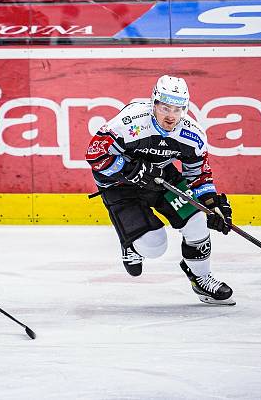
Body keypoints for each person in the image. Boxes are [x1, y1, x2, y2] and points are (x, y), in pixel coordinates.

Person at [85, 75, 235, 305]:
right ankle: (130, 242)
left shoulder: (192, 134)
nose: (171, 115)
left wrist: (211, 204)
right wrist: (130, 168)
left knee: (197, 222)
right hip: (120, 185)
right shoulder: (129, 122)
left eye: (177, 109)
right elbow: (95, 155)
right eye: (165, 107)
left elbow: (198, 174)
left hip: (160, 177)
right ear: (154, 103)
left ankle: (201, 278)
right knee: (155, 246)